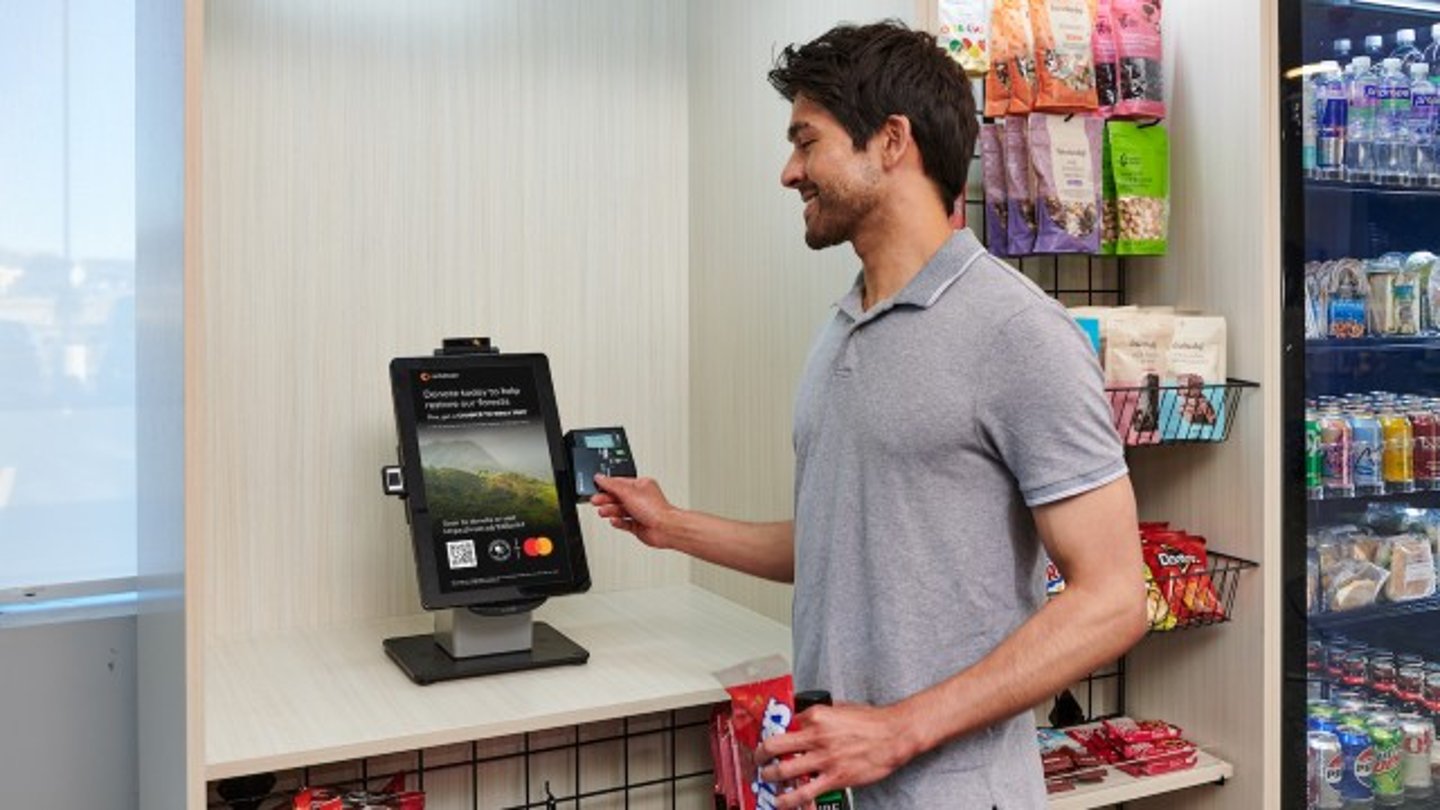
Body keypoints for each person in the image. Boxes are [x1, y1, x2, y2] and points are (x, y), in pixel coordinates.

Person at [591, 20, 1146, 809]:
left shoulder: (1018, 333)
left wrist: (898, 730)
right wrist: (670, 524)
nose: (790, 172)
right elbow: (842, 540)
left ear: (891, 142)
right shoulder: (842, 326)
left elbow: (1114, 598)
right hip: (843, 786)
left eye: (806, 141)